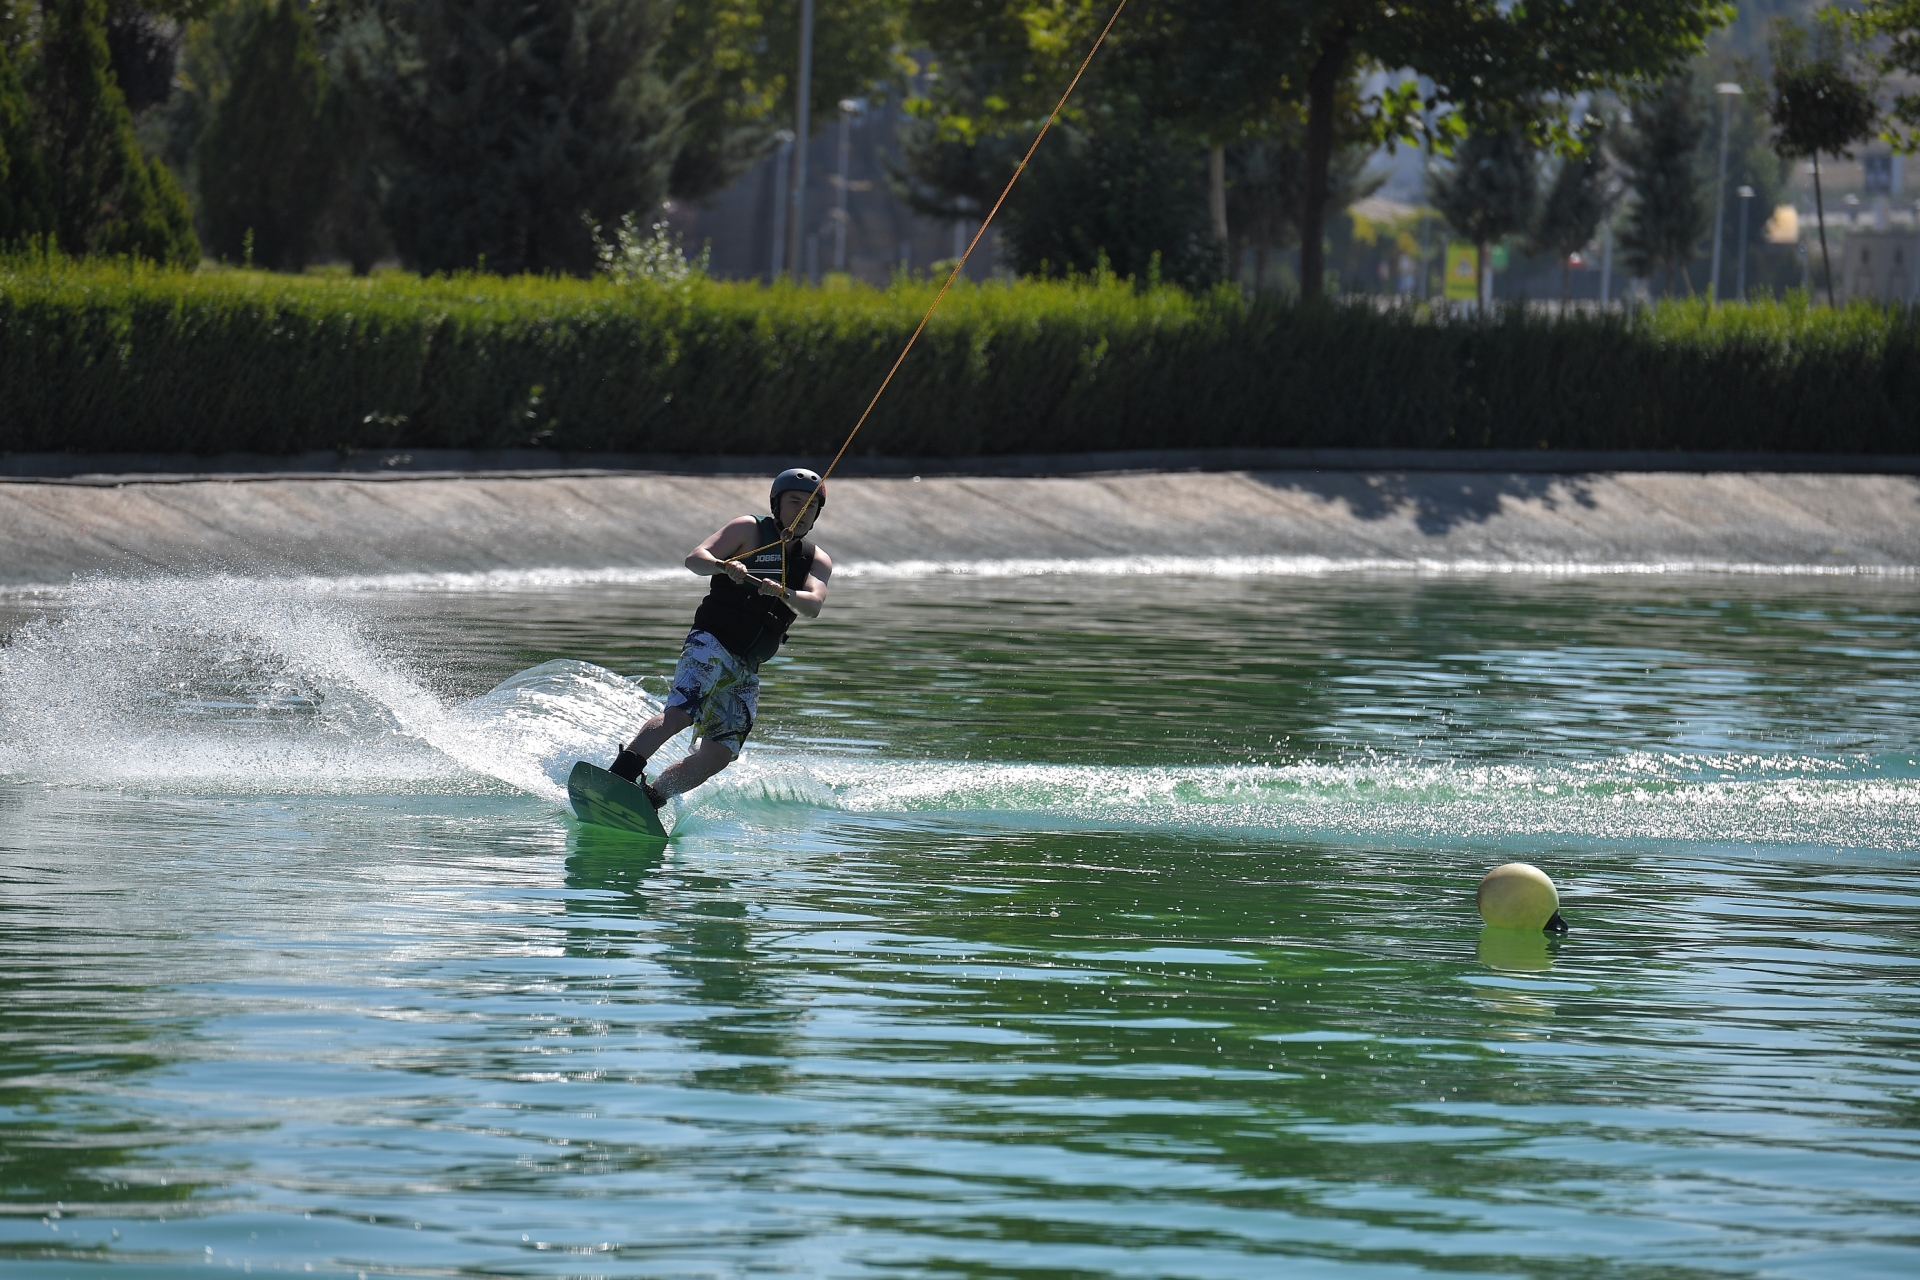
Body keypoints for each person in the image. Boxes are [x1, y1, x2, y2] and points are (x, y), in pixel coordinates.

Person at [608, 468, 833, 806]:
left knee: (720, 753)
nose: (802, 511)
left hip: (747, 666)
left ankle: (650, 798)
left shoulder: (816, 559)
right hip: (711, 642)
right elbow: (695, 559)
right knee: (681, 714)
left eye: (810, 506)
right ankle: (619, 775)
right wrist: (724, 565)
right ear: (776, 504)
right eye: (794, 502)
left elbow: (813, 605)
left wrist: (783, 592)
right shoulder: (748, 529)